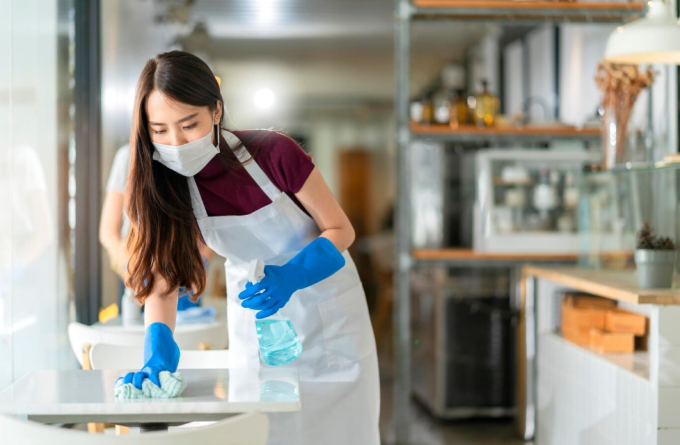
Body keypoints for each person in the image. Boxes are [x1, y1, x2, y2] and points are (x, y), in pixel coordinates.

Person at [118, 50, 380, 444]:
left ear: (216, 112)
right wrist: (157, 345)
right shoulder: (166, 184)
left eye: (189, 124)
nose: (176, 142)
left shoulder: (274, 153)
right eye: (159, 130)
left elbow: (341, 229)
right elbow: (163, 279)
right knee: (260, 432)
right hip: (257, 322)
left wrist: (293, 275)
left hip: (328, 313)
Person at [99, 144, 213, 313]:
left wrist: (202, 262)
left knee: (186, 335)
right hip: (138, 271)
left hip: (187, 271)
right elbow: (108, 232)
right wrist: (131, 272)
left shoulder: (196, 155)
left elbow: (213, 224)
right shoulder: (128, 157)